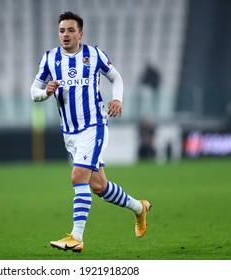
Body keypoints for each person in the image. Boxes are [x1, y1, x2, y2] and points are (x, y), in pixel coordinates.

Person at [30, 11, 151, 253]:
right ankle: (139, 208)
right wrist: (47, 92)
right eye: (62, 30)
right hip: (70, 133)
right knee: (99, 186)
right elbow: (34, 92)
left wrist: (117, 99)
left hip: (94, 125)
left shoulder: (94, 55)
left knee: (78, 177)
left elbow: (116, 78)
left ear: (80, 33)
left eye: (71, 30)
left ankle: (76, 237)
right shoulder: (50, 59)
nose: (66, 34)